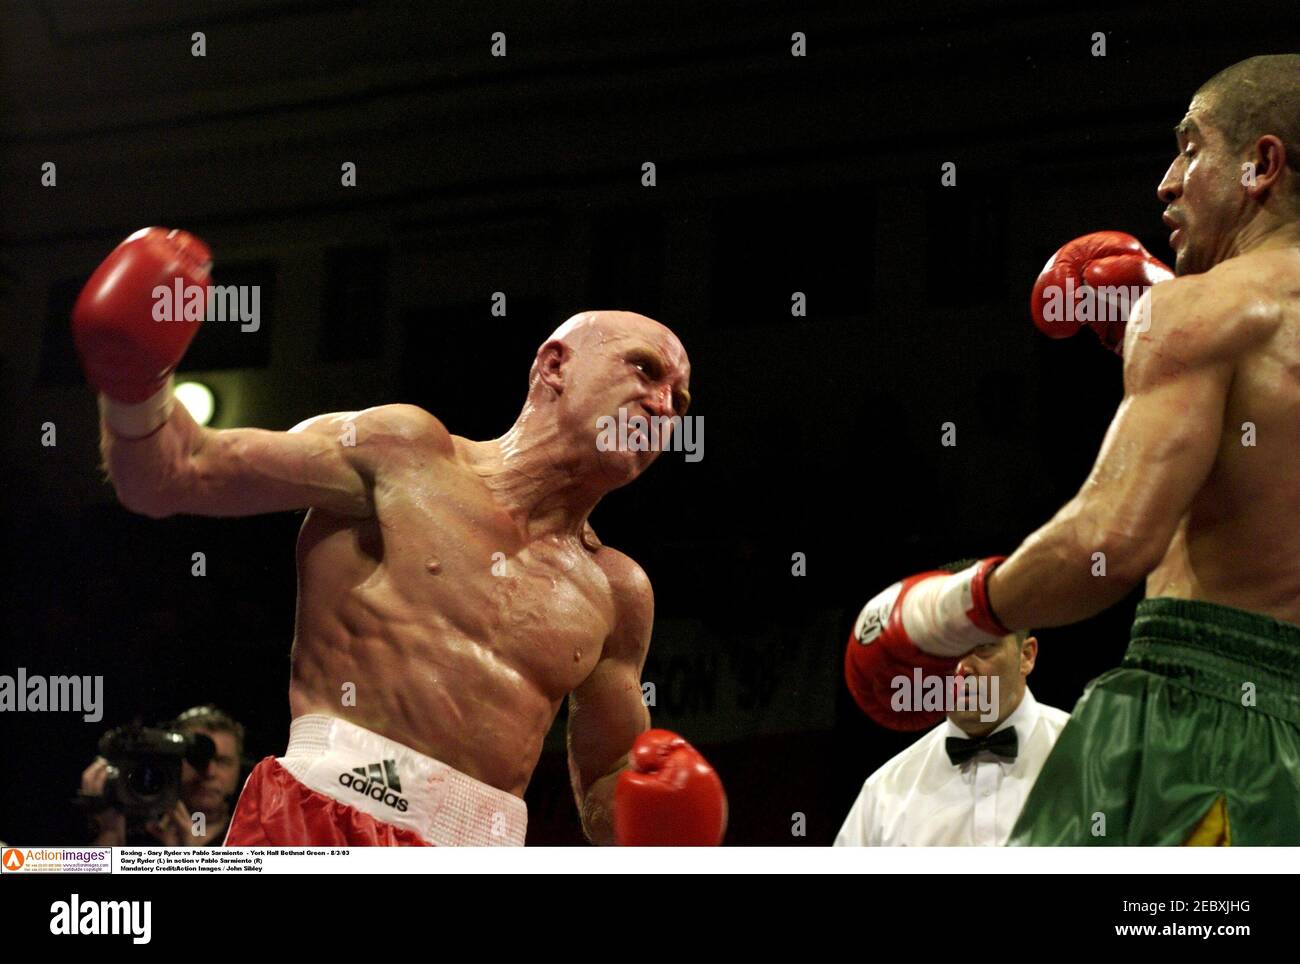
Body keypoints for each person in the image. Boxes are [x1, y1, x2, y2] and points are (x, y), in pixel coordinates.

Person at [72, 236, 725, 846]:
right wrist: (135, 384)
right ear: (555, 366)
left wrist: (663, 823)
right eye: (644, 371)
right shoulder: (401, 455)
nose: (664, 406)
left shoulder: (618, 591)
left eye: (680, 399)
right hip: (321, 824)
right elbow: (173, 473)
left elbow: (609, 777)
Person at [846, 55, 1300, 845]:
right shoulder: (1203, 318)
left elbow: (1110, 543)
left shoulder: (1198, 313)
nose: (1167, 181)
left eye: (1191, 148)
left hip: (1200, 715)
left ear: (1262, 165)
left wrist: (938, 614)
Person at [836, 631, 1068, 846]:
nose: (961, 668)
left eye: (983, 646)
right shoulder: (883, 794)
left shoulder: (1091, 757)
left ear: (1025, 656)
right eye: (943, 654)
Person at [80, 705, 244, 847]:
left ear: (239, 768)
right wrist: (108, 835)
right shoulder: (130, 831)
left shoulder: (256, 839)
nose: (210, 772)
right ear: (171, 761)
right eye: (196, 760)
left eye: (223, 761)